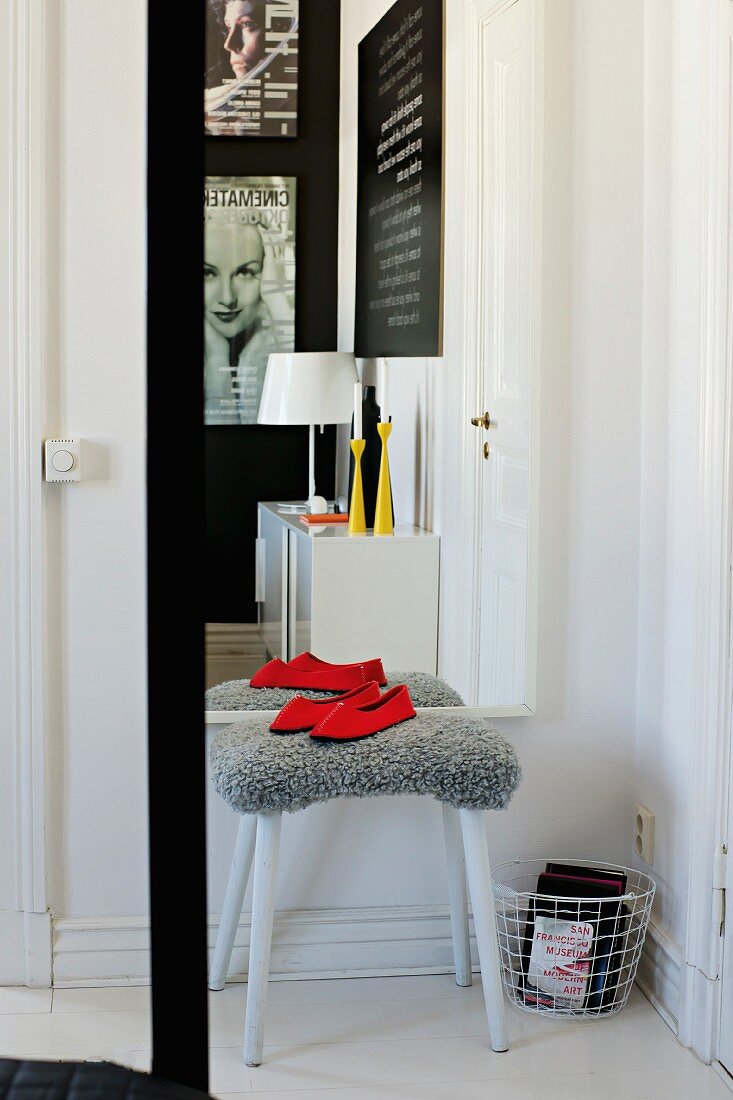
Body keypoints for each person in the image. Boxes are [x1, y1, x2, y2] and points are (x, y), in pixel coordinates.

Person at [204, 217, 293, 425]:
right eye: (208, 273)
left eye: (245, 272)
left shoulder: (278, 344)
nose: (227, 298)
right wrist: (217, 357)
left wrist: (276, 297)